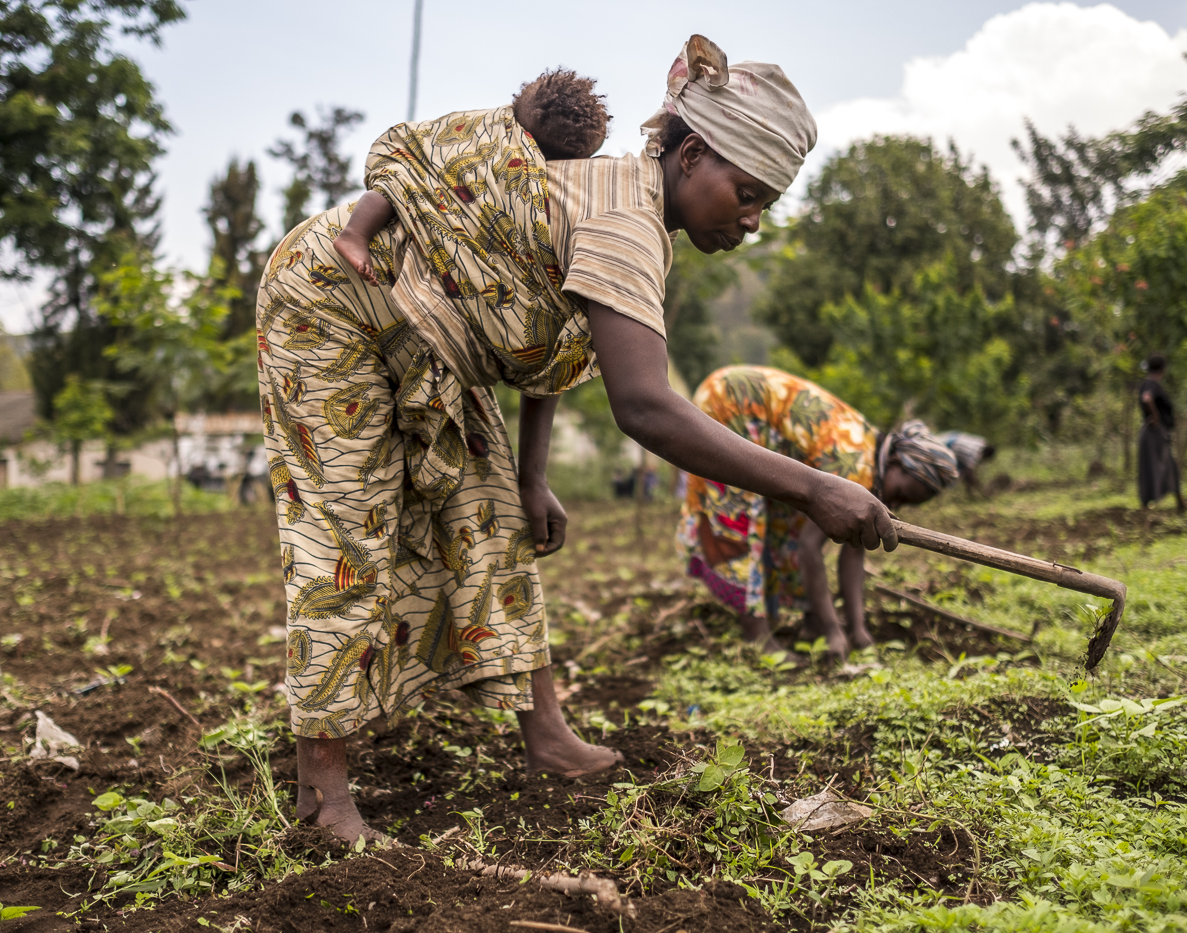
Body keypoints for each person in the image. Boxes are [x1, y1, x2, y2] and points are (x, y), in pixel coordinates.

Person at [257, 34, 896, 844]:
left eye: (766, 200)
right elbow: (645, 407)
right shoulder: (626, 218)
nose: (754, 218)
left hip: (427, 330)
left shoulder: (630, 213)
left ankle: (547, 734)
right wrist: (812, 485)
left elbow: (547, 352)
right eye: (746, 190)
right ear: (692, 154)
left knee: (489, 512)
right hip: (333, 299)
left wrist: (529, 477)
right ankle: (324, 800)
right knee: (346, 524)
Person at [678, 366, 960, 660]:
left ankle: (808, 619)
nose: (895, 505)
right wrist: (833, 629)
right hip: (729, 403)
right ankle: (757, 637)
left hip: (734, 396)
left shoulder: (868, 452)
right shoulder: (855, 467)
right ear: (896, 463)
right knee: (740, 516)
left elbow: (854, 550)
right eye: (899, 494)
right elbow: (810, 547)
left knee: (791, 519)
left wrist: (858, 630)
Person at [333, 69, 610, 285]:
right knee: (397, 184)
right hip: (427, 168)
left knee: (396, 185)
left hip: (446, 183)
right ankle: (355, 234)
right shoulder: (492, 138)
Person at [1137, 353, 1186, 513]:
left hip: (1153, 433)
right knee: (1161, 466)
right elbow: (1147, 399)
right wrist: (1156, 418)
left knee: (1163, 466)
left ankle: (1180, 503)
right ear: (1162, 369)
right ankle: (1147, 507)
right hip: (1154, 433)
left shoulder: (1147, 383)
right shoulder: (1152, 384)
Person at [935, 430, 997, 496]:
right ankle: (943, 492)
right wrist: (980, 489)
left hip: (955, 437)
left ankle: (967, 494)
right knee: (951, 474)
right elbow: (969, 474)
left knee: (961, 472)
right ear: (985, 454)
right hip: (950, 445)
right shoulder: (974, 455)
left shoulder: (983, 441)